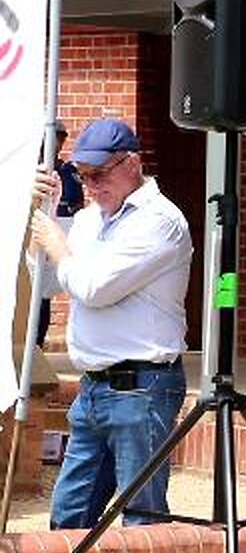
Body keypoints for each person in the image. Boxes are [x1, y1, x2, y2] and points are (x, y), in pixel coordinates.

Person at [27, 118, 192, 528]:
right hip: (93, 390)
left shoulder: (160, 220)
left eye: (99, 174)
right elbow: (48, 283)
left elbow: (94, 287)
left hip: (142, 388)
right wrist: (36, 230)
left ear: (132, 163)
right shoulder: (87, 220)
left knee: (141, 519)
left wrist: (57, 244)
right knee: (68, 518)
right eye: (83, 176)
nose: (91, 186)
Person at [37, 120, 85, 348]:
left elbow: (76, 203)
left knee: (43, 294)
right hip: (33, 233)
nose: (55, 143)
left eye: (60, 138)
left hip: (59, 231)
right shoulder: (31, 169)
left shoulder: (68, 171)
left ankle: (37, 344)